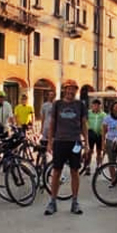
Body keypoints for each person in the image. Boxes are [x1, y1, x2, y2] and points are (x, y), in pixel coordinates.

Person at [44, 79, 88, 215]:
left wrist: (87, 143)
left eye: (73, 89)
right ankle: (52, 201)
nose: (70, 91)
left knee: (75, 171)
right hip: (60, 141)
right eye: (68, 89)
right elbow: (52, 123)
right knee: (56, 171)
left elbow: (84, 124)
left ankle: (75, 202)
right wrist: (50, 142)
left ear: (76, 91)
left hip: (75, 142)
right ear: (64, 90)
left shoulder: (80, 105)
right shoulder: (57, 104)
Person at [84, 98, 105, 173]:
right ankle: (87, 166)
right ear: (92, 105)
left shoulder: (103, 114)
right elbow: (85, 122)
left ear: (100, 106)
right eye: (94, 105)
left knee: (99, 151)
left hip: (99, 134)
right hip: (90, 133)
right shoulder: (88, 113)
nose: (96, 106)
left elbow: (105, 125)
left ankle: (98, 166)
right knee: (90, 151)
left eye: (98, 105)